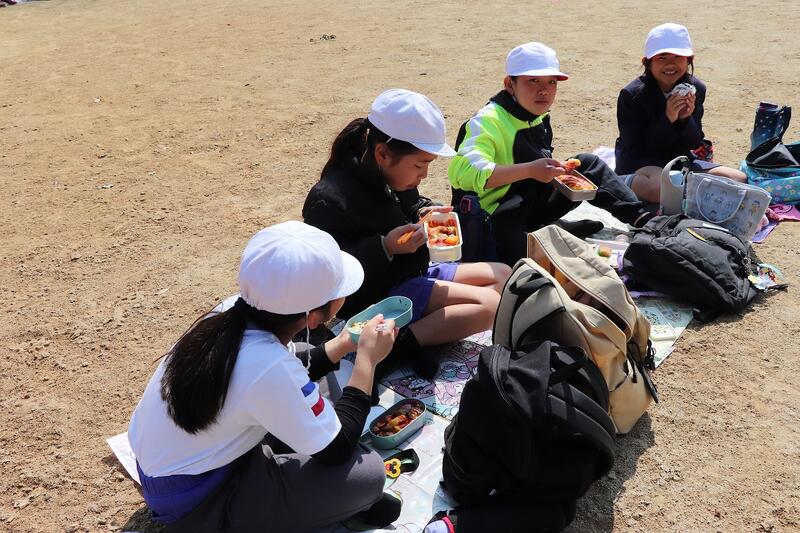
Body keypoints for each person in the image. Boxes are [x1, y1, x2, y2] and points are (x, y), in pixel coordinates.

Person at [128, 221, 401, 532]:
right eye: (339, 291)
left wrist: (342, 344)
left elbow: (280, 370)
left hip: (178, 464)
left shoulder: (230, 312)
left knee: (306, 359)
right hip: (198, 498)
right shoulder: (268, 366)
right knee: (368, 475)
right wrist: (367, 361)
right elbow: (336, 450)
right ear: (313, 316)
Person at [303, 88, 511, 384]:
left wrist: (425, 211)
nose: (424, 175)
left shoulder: (388, 172)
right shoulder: (329, 199)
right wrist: (385, 247)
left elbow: (410, 203)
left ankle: (420, 336)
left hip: (412, 269)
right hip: (379, 293)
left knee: (502, 275)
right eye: (419, 165)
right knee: (489, 305)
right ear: (383, 154)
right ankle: (395, 348)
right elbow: (331, 270)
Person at [448, 42, 654, 267]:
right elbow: (463, 173)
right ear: (509, 84)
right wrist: (530, 170)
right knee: (532, 262)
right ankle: (549, 233)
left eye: (551, 82)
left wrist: (553, 170)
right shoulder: (487, 121)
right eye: (533, 81)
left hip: (530, 203)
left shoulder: (535, 113)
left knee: (586, 164)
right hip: (495, 217)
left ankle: (644, 220)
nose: (544, 90)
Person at [615, 22, 748, 202]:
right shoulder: (631, 95)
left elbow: (694, 142)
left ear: (689, 59)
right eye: (662, 57)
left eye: (678, 56)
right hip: (641, 162)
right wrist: (668, 119)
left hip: (678, 161)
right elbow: (636, 147)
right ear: (647, 62)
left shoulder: (696, 88)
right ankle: (622, 182)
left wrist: (685, 119)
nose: (670, 64)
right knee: (660, 188)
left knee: (738, 179)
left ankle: (683, 191)